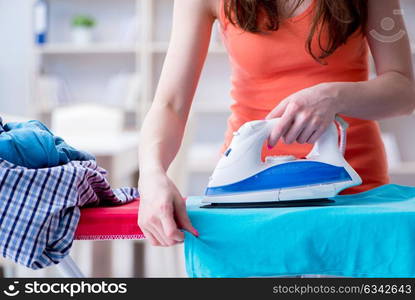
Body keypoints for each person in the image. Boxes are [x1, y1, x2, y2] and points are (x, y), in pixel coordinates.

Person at [138, 0, 415, 247]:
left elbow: (404, 92)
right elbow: (170, 104)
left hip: (353, 188)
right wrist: (151, 174)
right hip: (250, 199)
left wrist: (332, 96)